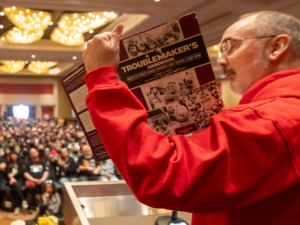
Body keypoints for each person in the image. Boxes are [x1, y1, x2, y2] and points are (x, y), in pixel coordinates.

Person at [82, 11, 300, 225]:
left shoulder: (275, 117)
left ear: (276, 47)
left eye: (230, 46)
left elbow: (162, 177)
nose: (221, 60)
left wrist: (102, 78)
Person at [24, 148, 49, 214]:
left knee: (49, 183)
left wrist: (42, 179)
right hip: (31, 180)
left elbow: (46, 172)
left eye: (35, 152)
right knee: (29, 186)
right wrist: (34, 180)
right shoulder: (28, 163)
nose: (33, 153)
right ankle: (30, 206)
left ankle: (44, 206)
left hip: (43, 180)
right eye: (32, 153)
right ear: (30, 155)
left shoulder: (43, 162)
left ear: (37, 152)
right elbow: (25, 173)